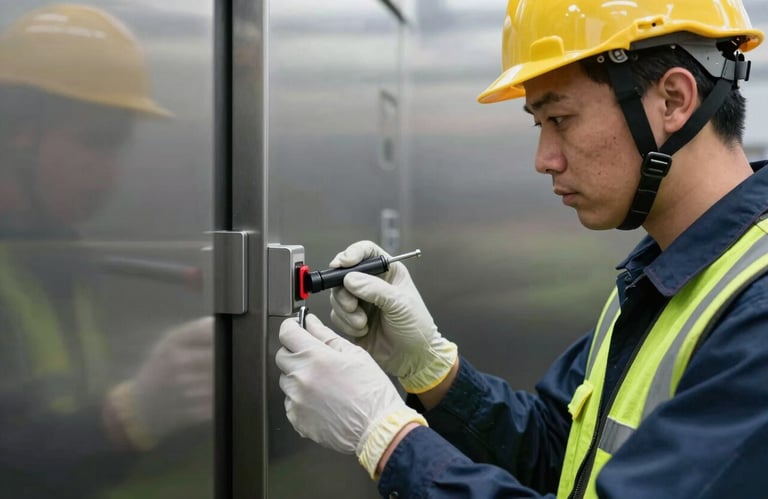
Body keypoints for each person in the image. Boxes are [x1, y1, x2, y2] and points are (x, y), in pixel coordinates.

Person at [276, 1, 768, 497]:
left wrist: (388, 440)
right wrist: (431, 371)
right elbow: (561, 455)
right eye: (540, 124)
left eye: (560, 118)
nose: (544, 159)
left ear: (673, 100)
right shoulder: (663, 273)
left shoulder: (757, 313)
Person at [0, 5, 212, 497]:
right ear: (18, 138)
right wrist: (126, 419)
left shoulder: (57, 256)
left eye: (119, 148)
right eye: (96, 143)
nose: (110, 175)